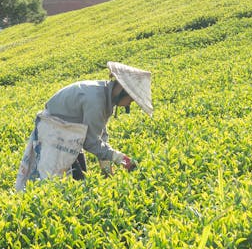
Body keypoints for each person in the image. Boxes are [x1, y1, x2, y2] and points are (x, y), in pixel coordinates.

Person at [15, 61, 152, 192]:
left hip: (71, 132)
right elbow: (91, 142)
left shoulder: (104, 94)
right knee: (53, 184)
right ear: (122, 89)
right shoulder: (96, 101)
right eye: (131, 99)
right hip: (56, 131)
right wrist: (120, 158)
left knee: (80, 179)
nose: (129, 104)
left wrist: (106, 167)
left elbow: (99, 133)